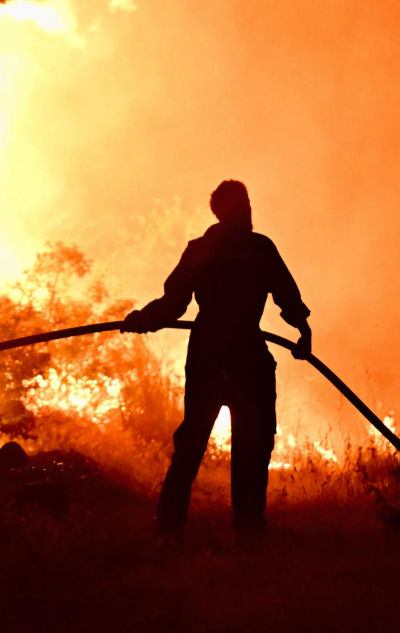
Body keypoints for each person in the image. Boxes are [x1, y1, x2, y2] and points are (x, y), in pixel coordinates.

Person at [121, 180, 311, 536]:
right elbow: (288, 297)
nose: (249, 211)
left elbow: (173, 304)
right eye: (243, 205)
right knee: (247, 449)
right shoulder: (258, 249)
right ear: (229, 211)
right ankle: (246, 528)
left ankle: (173, 529)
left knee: (197, 446)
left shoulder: (205, 249)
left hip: (209, 356)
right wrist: (304, 332)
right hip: (247, 360)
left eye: (248, 203)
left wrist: (143, 320)